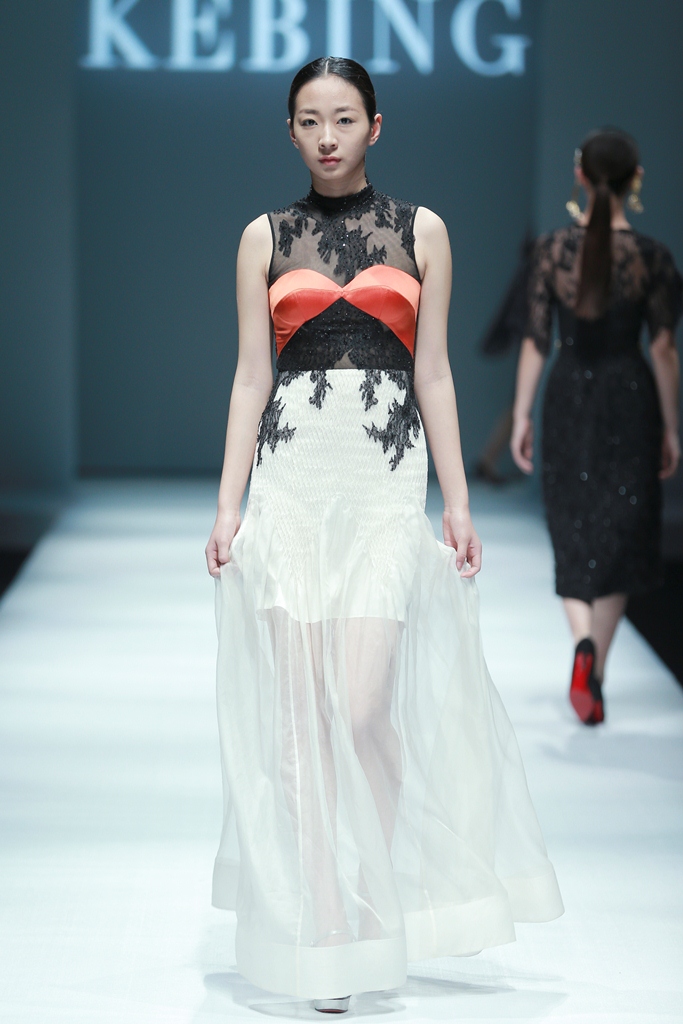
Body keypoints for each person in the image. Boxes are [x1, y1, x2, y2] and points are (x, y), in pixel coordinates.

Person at [206, 57, 563, 1013]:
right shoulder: (263, 237)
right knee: (298, 724)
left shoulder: (421, 231)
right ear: (289, 131)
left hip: (382, 486)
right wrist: (230, 505)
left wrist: (458, 501)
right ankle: (332, 920)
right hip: (290, 484)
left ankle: (376, 886)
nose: (326, 136)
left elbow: (432, 372)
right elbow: (250, 377)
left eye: (343, 118)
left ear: (375, 125)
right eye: (308, 120)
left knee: (363, 708)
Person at [511, 128, 682, 726]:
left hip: (569, 395)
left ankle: (582, 641)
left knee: (572, 526)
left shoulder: (553, 250)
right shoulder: (653, 257)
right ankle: (596, 668)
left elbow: (537, 339)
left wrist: (521, 414)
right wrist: (672, 425)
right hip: (629, 396)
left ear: (580, 176)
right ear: (636, 179)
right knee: (621, 534)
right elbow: (663, 348)